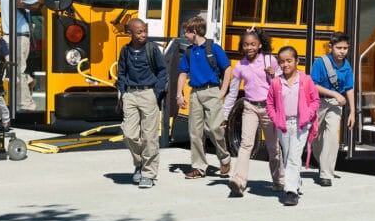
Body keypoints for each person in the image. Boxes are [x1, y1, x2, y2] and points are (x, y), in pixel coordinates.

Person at [221, 26, 283, 198]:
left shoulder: (270, 60)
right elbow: (233, 93)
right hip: (249, 107)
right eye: (246, 45)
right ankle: (238, 181)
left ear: (260, 45)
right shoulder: (239, 67)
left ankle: (279, 180)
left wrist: (274, 74)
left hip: (268, 108)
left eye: (253, 44)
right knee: (246, 144)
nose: (249, 48)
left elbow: (282, 82)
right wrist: (225, 116)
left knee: (273, 146)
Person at [176, 14, 232, 179]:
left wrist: (223, 91)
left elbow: (227, 69)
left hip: (212, 91)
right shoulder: (189, 52)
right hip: (195, 93)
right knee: (195, 132)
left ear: (194, 31)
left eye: (186, 32)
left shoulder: (213, 48)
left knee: (215, 128)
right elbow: (182, 74)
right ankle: (199, 167)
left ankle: (224, 158)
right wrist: (179, 94)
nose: (184, 36)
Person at [116, 17, 167, 189]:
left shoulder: (152, 49)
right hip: (130, 94)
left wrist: (156, 92)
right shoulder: (125, 51)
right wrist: (123, 94)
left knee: (149, 136)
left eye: (145, 31)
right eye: (139, 32)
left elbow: (162, 71)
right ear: (129, 33)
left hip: (148, 93)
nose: (143, 35)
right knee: (128, 134)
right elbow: (121, 73)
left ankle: (148, 173)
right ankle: (139, 162)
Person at [266, 45, 320, 206]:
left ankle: (291, 192)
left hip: (301, 124)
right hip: (283, 124)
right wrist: (276, 119)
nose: (286, 65)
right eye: (282, 62)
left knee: (294, 157)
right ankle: (295, 182)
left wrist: (308, 116)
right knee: (288, 154)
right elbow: (270, 104)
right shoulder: (276, 82)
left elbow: (315, 100)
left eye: (289, 61)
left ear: (297, 61)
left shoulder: (305, 80)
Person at [310, 31, 356, 187]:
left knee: (332, 138)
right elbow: (313, 85)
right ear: (331, 47)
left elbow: (349, 88)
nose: (342, 51)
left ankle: (326, 174)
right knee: (315, 138)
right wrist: (335, 94)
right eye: (339, 48)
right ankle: (322, 162)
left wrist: (352, 112)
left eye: (345, 48)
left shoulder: (347, 66)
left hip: (336, 104)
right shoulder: (320, 63)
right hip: (319, 102)